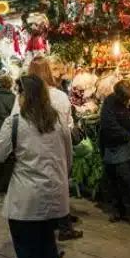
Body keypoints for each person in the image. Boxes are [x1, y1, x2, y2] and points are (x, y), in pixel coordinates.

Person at [0, 75, 72, 258]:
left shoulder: (15, 122)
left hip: (26, 200)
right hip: (54, 197)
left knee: (27, 254)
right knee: (48, 246)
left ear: (23, 95)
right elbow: (68, 157)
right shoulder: (58, 121)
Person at [27, 57, 82, 241]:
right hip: (55, 150)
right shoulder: (59, 96)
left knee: (40, 192)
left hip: (32, 152)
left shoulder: (24, 97)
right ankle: (62, 226)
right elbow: (66, 126)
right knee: (59, 187)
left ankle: (54, 227)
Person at [99, 79, 130, 225]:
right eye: (125, 100)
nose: (128, 103)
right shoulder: (110, 101)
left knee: (127, 177)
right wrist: (128, 136)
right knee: (116, 177)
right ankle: (118, 210)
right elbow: (108, 124)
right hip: (115, 143)